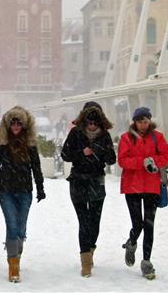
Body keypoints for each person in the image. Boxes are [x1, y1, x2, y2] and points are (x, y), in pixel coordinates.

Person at [0, 106, 45, 283]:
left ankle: (15, 254)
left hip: (25, 190)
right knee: (12, 226)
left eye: (18, 122)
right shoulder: (1, 143)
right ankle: (14, 266)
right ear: (7, 124)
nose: (15, 126)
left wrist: (40, 187)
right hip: (6, 190)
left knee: (21, 228)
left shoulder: (30, 144)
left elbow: (36, 166)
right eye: (12, 122)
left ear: (24, 124)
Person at [61, 101, 116, 277]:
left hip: (97, 182)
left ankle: (90, 248)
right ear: (84, 119)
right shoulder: (76, 133)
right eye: (89, 122)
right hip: (78, 181)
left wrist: (99, 150)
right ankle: (85, 262)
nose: (92, 126)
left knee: (95, 223)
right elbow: (65, 154)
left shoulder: (105, 136)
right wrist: (81, 153)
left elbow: (112, 160)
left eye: (95, 123)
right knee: (84, 223)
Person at [118, 107, 168, 280]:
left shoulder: (158, 137)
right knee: (138, 223)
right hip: (132, 186)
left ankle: (147, 261)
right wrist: (142, 162)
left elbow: (166, 156)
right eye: (140, 121)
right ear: (135, 121)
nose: (143, 124)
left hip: (151, 186)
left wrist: (154, 161)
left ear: (149, 121)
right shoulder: (126, 138)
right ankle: (132, 243)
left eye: (145, 121)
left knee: (149, 225)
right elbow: (122, 160)